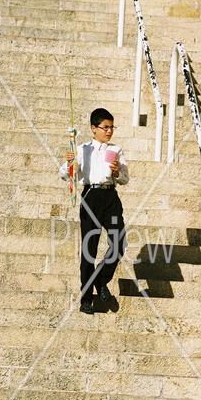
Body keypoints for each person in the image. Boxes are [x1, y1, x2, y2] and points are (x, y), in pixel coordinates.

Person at [59, 108, 129, 314]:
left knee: (119, 242)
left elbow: (125, 178)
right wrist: (70, 163)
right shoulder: (83, 149)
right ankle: (86, 298)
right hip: (91, 196)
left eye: (111, 127)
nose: (109, 131)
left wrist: (117, 173)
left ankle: (100, 280)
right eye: (105, 127)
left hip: (110, 196)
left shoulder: (116, 149)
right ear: (93, 128)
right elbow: (64, 174)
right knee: (89, 249)